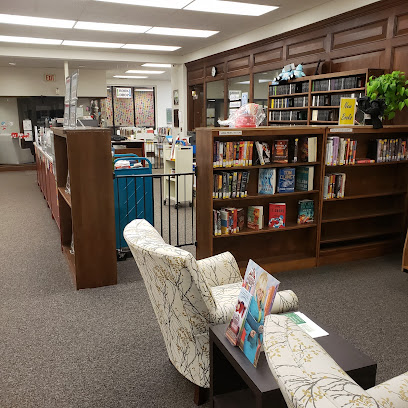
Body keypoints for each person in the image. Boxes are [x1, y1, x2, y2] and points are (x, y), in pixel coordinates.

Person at [242, 272, 268, 364]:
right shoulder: (251, 301)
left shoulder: (262, 306)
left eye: (263, 292)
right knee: (245, 365)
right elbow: (245, 317)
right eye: (260, 290)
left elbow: (260, 324)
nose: (260, 294)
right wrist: (249, 331)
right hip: (249, 341)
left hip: (256, 342)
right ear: (257, 288)